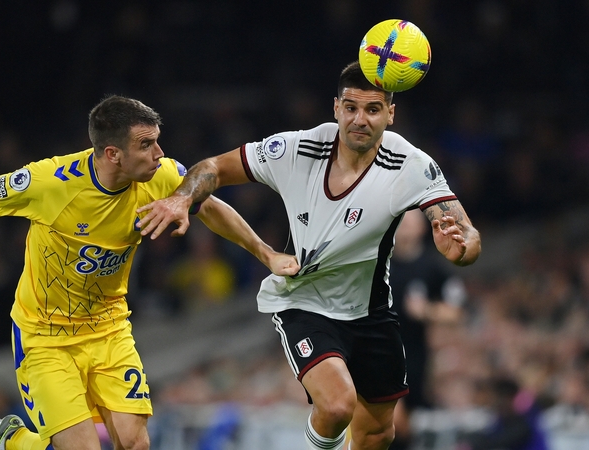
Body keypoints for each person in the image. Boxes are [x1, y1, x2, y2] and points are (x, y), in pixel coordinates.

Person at [0, 95, 299, 450]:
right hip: (45, 337)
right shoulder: (51, 183)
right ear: (111, 153)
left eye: (159, 140)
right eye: (147, 144)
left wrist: (265, 254)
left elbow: (209, 206)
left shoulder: (160, 176)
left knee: (136, 442)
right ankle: (14, 440)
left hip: (109, 328)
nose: (160, 153)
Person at [136, 62, 482, 450]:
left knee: (379, 433)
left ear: (390, 114)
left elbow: (464, 231)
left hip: (371, 311)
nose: (360, 119)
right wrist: (183, 197)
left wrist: (461, 247)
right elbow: (213, 167)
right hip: (305, 299)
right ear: (336, 108)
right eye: (351, 107)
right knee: (336, 406)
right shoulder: (297, 148)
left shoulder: (411, 165)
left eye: (372, 110)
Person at [388, 209, 466, 449]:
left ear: (422, 227)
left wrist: (427, 311)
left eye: (409, 222)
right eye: (399, 222)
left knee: (405, 425)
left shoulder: (432, 268)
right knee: (390, 419)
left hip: (416, 356)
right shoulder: (378, 264)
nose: (403, 227)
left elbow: (457, 310)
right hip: (380, 351)